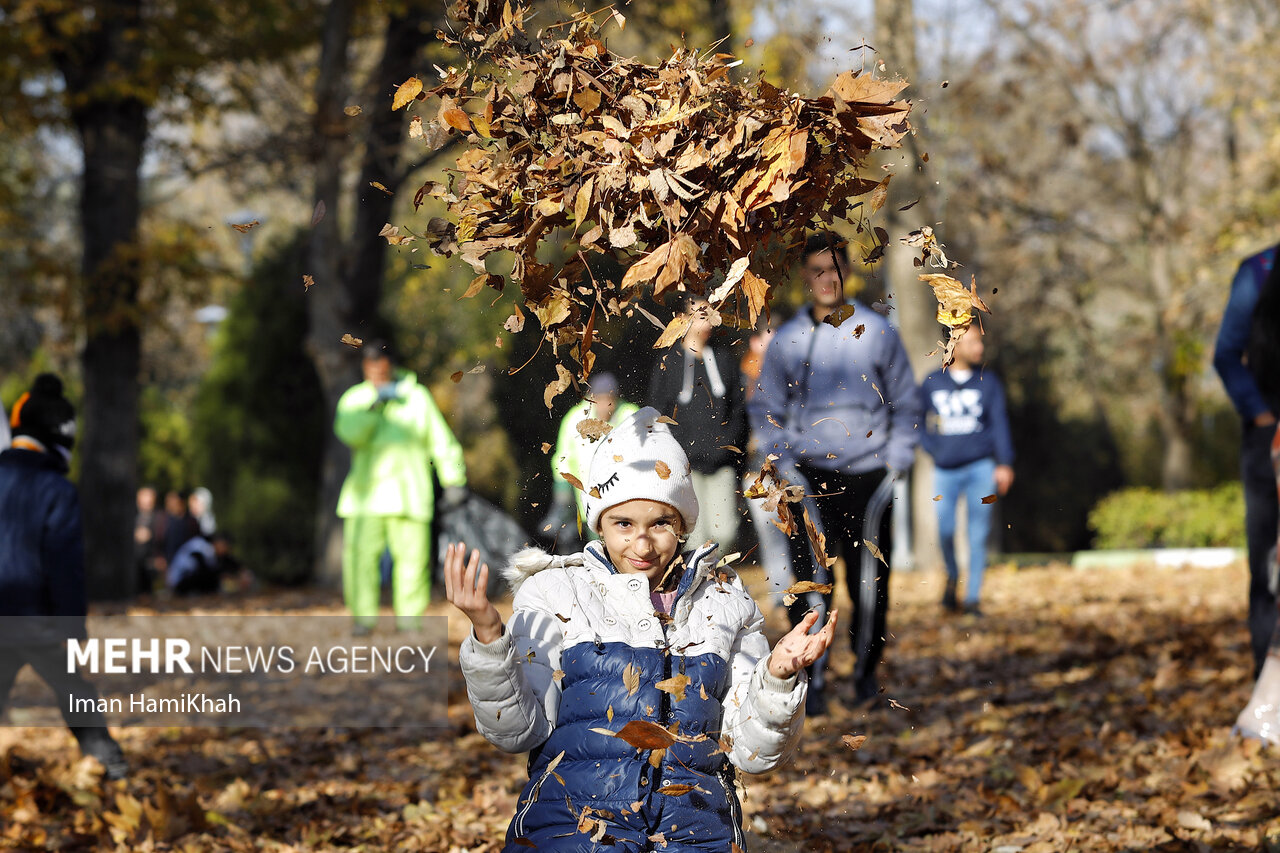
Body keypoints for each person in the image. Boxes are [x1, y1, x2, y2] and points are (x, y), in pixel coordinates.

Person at [447, 407, 837, 851]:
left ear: (684, 524)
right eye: (623, 524)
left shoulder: (725, 603)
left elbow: (753, 752)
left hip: (693, 834)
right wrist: (488, 635)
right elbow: (515, 731)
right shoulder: (556, 594)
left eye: (661, 524)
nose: (642, 544)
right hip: (571, 827)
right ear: (599, 522)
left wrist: (778, 676)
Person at [749, 232, 923, 714]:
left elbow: (907, 402)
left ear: (847, 272)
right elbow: (766, 409)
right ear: (806, 277)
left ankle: (866, 676)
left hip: (870, 477)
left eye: (835, 269)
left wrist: (898, 459)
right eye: (817, 271)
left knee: (869, 582)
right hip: (807, 479)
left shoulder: (879, 332)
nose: (827, 279)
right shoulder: (787, 341)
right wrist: (782, 463)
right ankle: (814, 683)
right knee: (811, 583)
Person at [0, 374, 128, 779]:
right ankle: (109, 761)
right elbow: (63, 565)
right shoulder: (56, 489)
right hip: (38, 621)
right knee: (74, 691)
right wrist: (72, 624)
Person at [335, 340, 467, 633]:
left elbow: (440, 440)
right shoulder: (355, 399)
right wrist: (375, 406)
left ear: (391, 366)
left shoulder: (417, 397)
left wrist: (454, 478)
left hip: (409, 495)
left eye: (382, 368)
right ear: (364, 369)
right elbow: (348, 432)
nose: (377, 374)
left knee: (413, 563)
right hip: (365, 498)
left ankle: (410, 622)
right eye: (371, 369)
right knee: (360, 562)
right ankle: (363, 619)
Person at [1213, 243, 1279, 679]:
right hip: (1269, 433)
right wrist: (1261, 415)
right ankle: (1268, 680)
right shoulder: (1257, 271)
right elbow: (1227, 355)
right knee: (1268, 557)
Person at [920, 324, 1014, 616]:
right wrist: (933, 449)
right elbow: (917, 423)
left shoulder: (989, 383)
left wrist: (1005, 463)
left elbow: (999, 424)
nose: (980, 348)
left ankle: (972, 598)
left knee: (977, 534)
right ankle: (951, 575)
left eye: (979, 342)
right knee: (945, 531)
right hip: (945, 471)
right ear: (954, 345)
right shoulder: (932, 382)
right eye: (972, 342)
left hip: (981, 468)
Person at [648, 295, 747, 550]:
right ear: (682, 319)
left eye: (710, 315)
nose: (707, 322)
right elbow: (658, 413)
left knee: (724, 531)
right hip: (684, 468)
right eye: (700, 316)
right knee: (694, 535)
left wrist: (726, 445)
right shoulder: (668, 362)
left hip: (720, 465)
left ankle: (713, 581)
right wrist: (674, 455)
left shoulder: (724, 360)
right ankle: (697, 586)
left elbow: (738, 410)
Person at [540, 372, 639, 545]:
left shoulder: (631, 416)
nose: (604, 406)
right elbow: (562, 457)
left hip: (625, 498)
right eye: (598, 400)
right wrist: (562, 488)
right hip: (587, 499)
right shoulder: (575, 419)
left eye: (609, 399)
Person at [741, 324, 795, 609]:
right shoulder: (744, 376)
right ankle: (780, 590)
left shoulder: (791, 372)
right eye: (769, 334)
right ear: (755, 340)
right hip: (756, 470)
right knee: (770, 532)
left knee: (793, 530)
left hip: (789, 467)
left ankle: (795, 590)